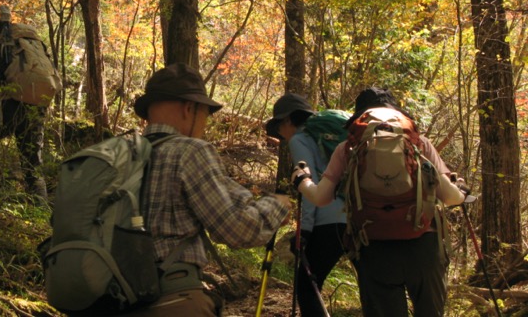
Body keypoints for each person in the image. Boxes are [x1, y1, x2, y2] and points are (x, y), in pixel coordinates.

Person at [129, 63, 290, 316]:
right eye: (205, 113)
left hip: (107, 296)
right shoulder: (190, 152)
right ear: (189, 108)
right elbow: (238, 231)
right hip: (169, 299)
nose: (204, 122)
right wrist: (278, 205)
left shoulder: (116, 154)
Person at [291, 87, 468, 317]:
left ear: (361, 118)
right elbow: (451, 198)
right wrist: (462, 191)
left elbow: (321, 198)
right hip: (424, 246)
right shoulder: (419, 143)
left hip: (373, 248)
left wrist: (302, 180)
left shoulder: (348, 148)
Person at [264, 93, 346, 316]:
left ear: (289, 120)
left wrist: (305, 231)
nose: (280, 134)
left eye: (279, 126)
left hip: (328, 222)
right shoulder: (324, 138)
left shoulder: (299, 140)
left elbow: (310, 186)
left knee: (307, 287)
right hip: (355, 217)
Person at [0, 13, 49, 199]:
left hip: (8, 106)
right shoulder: (34, 49)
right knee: (33, 164)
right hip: (38, 107)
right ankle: (40, 211)